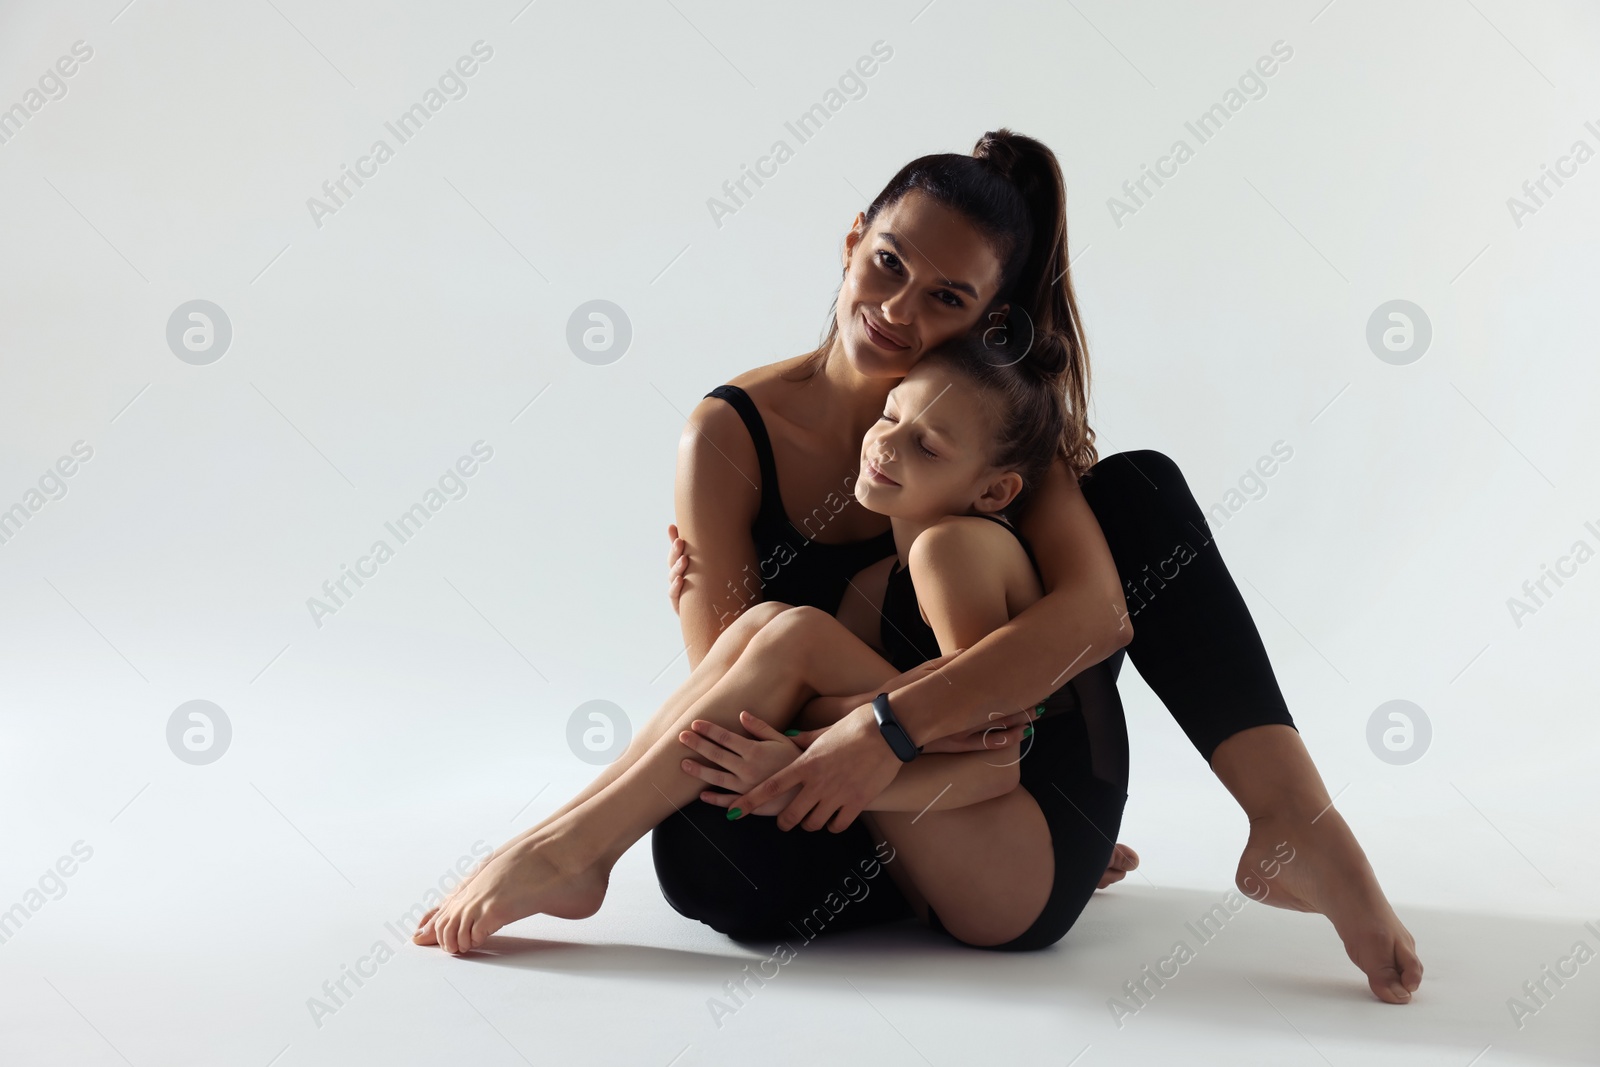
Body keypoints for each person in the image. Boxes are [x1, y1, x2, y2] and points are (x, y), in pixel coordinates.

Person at [656, 129, 1422, 1002]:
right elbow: (728, 701)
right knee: (701, 855)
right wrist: (866, 722)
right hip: (879, 791)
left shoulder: (1001, 429)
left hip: (1015, 771)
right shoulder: (728, 435)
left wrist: (885, 727)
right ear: (851, 239)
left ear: (987, 319)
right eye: (888, 263)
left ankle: (1290, 817)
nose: (900, 311)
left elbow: (1097, 617)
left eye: (945, 297)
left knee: (1136, 492)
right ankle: (949, 870)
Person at [678, 326, 1133, 950]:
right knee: (773, 629)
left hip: (1023, 880)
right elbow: (822, 704)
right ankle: (577, 839)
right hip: (935, 881)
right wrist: (819, 740)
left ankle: (578, 849)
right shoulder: (871, 584)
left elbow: (993, 763)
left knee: (796, 634)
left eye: (927, 446)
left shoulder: (955, 551)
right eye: (890, 414)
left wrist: (807, 770)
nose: (887, 444)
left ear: (995, 491)